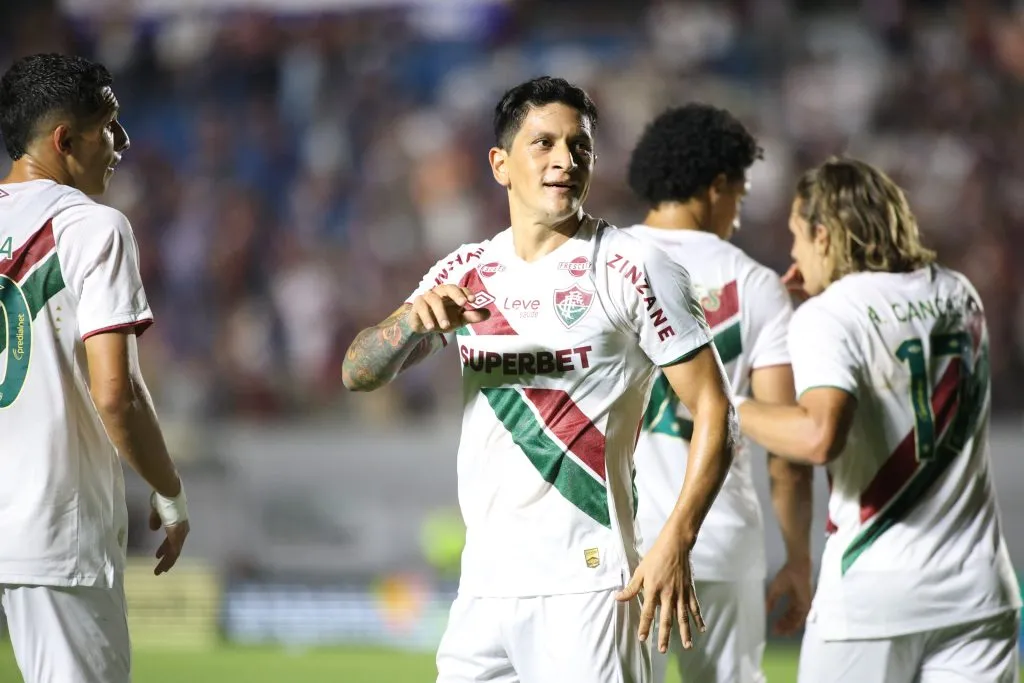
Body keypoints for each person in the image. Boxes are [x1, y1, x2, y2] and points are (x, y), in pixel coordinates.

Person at [342, 76, 737, 683]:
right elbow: (358, 372)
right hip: (485, 590)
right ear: (500, 164)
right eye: (544, 143)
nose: (565, 161)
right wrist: (407, 325)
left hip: (590, 586)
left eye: (579, 147)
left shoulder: (632, 266)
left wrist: (675, 542)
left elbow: (716, 409)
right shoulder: (466, 269)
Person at [736, 157, 1021, 682]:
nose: (793, 251)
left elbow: (819, 437)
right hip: (979, 594)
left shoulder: (828, 316)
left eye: (798, 235)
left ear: (823, 235)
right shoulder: (959, 293)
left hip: (875, 594)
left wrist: (733, 408)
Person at [0, 53, 190, 683]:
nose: (123, 142)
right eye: (110, 125)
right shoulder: (91, 228)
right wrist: (169, 493)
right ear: (65, 140)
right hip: (51, 529)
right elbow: (119, 396)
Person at [621, 103, 813, 683]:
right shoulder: (756, 285)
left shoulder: (600, 263)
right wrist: (797, 560)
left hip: (623, 542)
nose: (736, 211)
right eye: (741, 195)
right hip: (721, 538)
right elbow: (787, 454)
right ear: (717, 185)